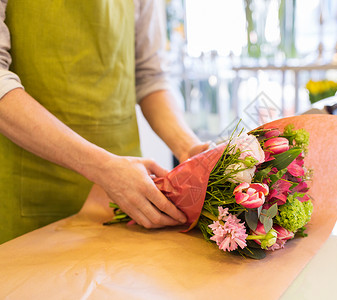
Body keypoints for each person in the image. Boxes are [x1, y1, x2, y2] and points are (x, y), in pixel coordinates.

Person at [0, 0, 207, 243]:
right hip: (33, 186)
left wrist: (189, 149)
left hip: (131, 193)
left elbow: (150, 76)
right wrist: (104, 168)